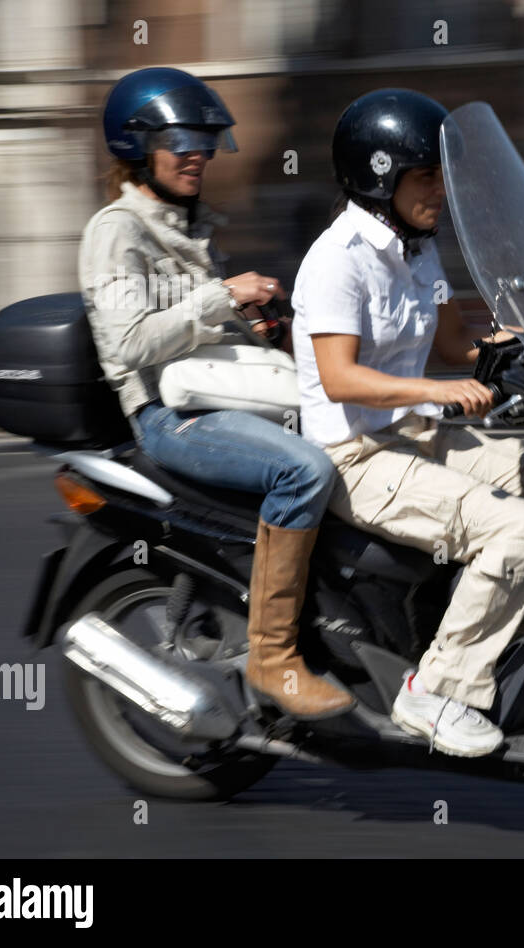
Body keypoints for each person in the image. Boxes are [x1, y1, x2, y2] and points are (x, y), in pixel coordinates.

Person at [291, 88, 524, 758]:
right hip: (355, 456)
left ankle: (481, 632)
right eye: (426, 177)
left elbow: (455, 346)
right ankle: (437, 690)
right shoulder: (338, 260)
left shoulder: (416, 250)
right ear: (381, 177)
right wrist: (435, 392)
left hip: (417, 435)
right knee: (521, 530)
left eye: (442, 176)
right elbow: (340, 377)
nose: (441, 190)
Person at [78, 66, 355, 720]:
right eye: (181, 141)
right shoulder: (117, 230)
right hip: (168, 417)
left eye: (203, 140)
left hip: (214, 399)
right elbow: (131, 344)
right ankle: (273, 656)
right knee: (303, 470)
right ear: (136, 146)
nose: (197, 153)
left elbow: (198, 337)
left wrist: (258, 325)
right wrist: (223, 295)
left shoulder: (188, 225)